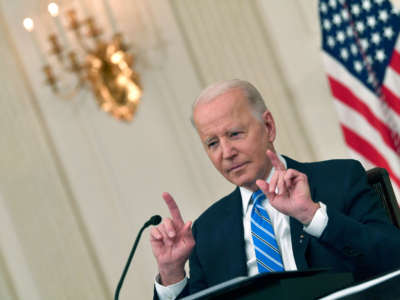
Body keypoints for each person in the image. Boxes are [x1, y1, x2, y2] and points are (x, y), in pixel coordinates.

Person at [150, 79, 400, 299]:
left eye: (235, 134)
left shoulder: (339, 179)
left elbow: (393, 258)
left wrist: (314, 216)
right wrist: (172, 275)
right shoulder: (206, 232)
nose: (226, 153)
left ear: (268, 126)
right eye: (213, 143)